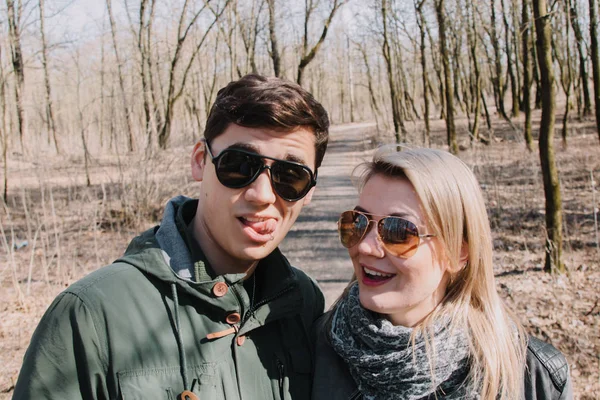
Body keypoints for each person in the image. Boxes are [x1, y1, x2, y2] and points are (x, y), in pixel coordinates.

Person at [14, 74, 329, 399]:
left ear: (308, 193)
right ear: (199, 161)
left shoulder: (303, 304)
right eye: (239, 166)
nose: (262, 195)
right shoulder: (91, 316)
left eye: (291, 176)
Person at [312, 146, 572, 400]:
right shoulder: (310, 354)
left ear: (458, 253)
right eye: (358, 222)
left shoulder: (533, 378)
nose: (366, 246)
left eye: (398, 231)